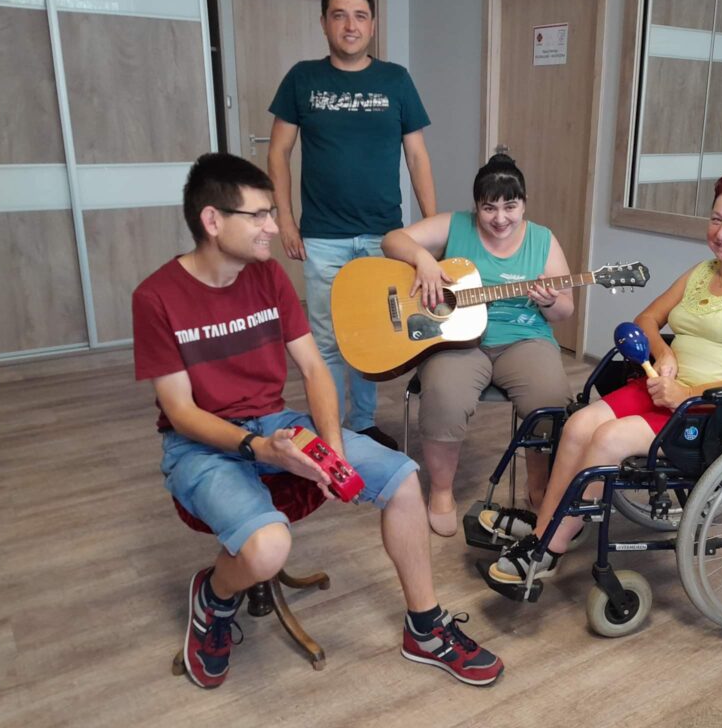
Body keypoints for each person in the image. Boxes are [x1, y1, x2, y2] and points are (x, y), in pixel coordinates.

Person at [132, 153, 502, 689]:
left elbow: (313, 367)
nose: (274, 226)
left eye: (273, 212)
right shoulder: (156, 297)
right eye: (259, 215)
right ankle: (212, 597)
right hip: (199, 445)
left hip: (273, 421)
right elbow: (181, 412)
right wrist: (260, 450)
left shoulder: (268, 277)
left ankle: (424, 629)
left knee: (403, 480)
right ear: (212, 220)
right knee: (268, 547)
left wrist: (332, 448)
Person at [485, 169, 722, 584]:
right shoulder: (703, 272)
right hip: (663, 389)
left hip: (711, 411)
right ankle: (546, 528)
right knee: (579, 424)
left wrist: (688, 392)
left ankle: (547, 550)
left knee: (608, 439)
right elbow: (647, 319)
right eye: (716, 219)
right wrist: (665, 352)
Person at [267, 0, 436, 451]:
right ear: (324, 23)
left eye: (360, 16)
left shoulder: (396, 80)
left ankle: (361, 424)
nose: (350, 25)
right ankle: (330, 429)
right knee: (325, 339)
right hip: (323, 236)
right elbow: (278, 152)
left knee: (370, 336)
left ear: (372, 25)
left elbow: (417, 156)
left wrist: (431, 229)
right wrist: (286, 219)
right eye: (339, 15)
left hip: (384, 236)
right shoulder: (302, 78)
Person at [381, 153, 575, 537]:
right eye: (489, 208)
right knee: (444, 395)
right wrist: (423, 259)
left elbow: (565, 310)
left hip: (523, 338)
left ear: (524, 204)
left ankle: (539, 487)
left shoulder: (543, 239)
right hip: (456, 339)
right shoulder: (455, 225)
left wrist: (550, 301)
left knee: (551, 398)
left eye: (510, 206)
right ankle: (441, 491)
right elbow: (391, 240)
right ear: (476, 207)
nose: (500, 218)